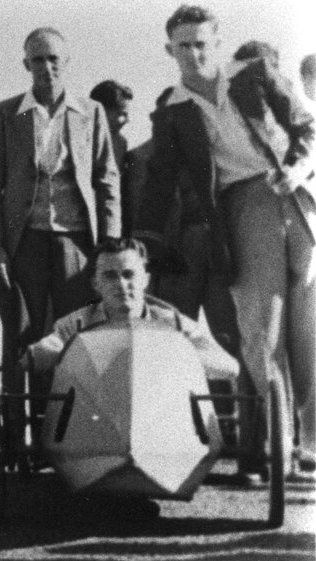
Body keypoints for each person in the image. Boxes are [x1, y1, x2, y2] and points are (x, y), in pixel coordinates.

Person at [133, 5, 315, 482]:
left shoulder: (255, 73)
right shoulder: (172, 111)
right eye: (184, 46)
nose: (194, 54)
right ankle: (281, 448)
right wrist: (143, 240)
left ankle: (312, 443)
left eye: (202, 44)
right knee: (260, 336)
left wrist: (298, 166)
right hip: (244, 208)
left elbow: (306, 125)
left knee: (309, 329)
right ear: (169, 50)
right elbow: (159, 183)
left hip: (300, 200)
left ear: (217, 43)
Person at [0, 27, 122, 395]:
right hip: (23, 241)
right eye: (38, 59)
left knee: (78, 331)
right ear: (26, 63)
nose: (47, 67)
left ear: (67, 62)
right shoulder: (7, 113)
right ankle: (16, 428)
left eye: (54, 58)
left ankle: (74, 423)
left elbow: (107, 178)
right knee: (21, 332)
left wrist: (110, 243)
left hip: (76, 241)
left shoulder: (91, 112)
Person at [27, 238, 237, 383]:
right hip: (95, 424)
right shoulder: (76, 324)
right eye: (110, 276)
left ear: (145, 279)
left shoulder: (172, 323)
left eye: (129, 274)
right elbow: (35, 358)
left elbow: (229, 367)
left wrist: (172, 355)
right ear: (95, 284)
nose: (121, 283)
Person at [89, 80, 133, 174]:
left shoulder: (120, 143)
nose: (127, 120)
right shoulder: (74, 137)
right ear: (101, 111)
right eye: (122, 114)